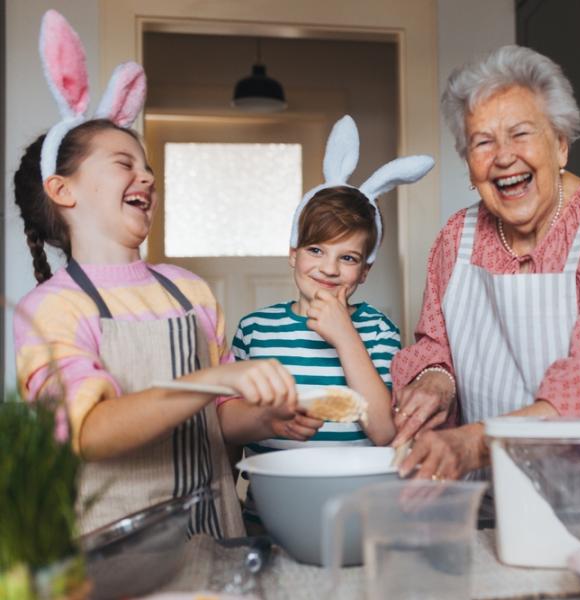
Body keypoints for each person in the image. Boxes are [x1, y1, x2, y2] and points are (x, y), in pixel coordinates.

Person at [13, 10, 298, 538]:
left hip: (215, 537)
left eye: (147, 167)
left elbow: (220, 417)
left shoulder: (188, 290)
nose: (145, 174)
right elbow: (88, 432)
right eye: (123, 163)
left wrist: (264, 420)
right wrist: (210, 379)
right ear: (63, 190)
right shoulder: (52, 309)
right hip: (114, 559)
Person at [390, 45, 580, 502]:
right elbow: (435, 345)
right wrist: (435, 382)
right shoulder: (455, 239)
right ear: (469, 166)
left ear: (560, 144)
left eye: (520, 134)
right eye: (483, 142)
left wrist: (472, 443)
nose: (503, 157)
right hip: (495, 498)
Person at [220, 115, 432, 524]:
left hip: (358, 513)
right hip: (269, 516)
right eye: (316, 251)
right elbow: (228, 428)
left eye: (348, 258)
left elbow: (385, 432)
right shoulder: (255, 329)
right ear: (293, 254)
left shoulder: (376, 330)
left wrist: (346, 337)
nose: (329, 269)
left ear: (364, 272)